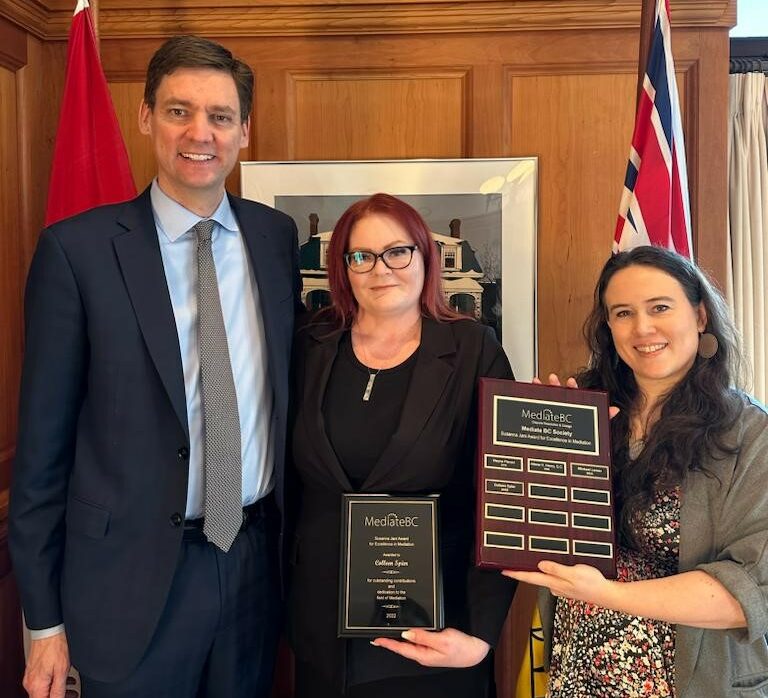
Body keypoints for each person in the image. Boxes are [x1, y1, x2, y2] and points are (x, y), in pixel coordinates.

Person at [10, 35, 301, 698]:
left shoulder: (274, 239)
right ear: (145, 117)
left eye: (220, 116)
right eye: (178, 111)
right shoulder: (76, 253)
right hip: (127, 584)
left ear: (245, 131)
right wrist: (43, 623)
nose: (200, 133)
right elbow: (41, 458)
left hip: (253, 562)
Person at [504, 246, 768, 698]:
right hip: (576, 673)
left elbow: (751, 595)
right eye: (623, 312)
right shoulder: (589, 411)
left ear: (701, 316)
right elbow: (533, 526)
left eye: (660, 307)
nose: (643, 328)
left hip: (683, 684)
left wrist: (605, 593)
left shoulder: (749, 432)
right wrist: (537, 449)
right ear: (608, 327)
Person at [287, 193, 517, 698]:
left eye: (398, 251)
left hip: (433, 632)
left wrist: (481, 634)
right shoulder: (308, 345)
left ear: (424, 257)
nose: (380, 268)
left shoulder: (473, 349)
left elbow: (498, 497)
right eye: (361, 255)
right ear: (343, 269)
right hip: (322, 629)